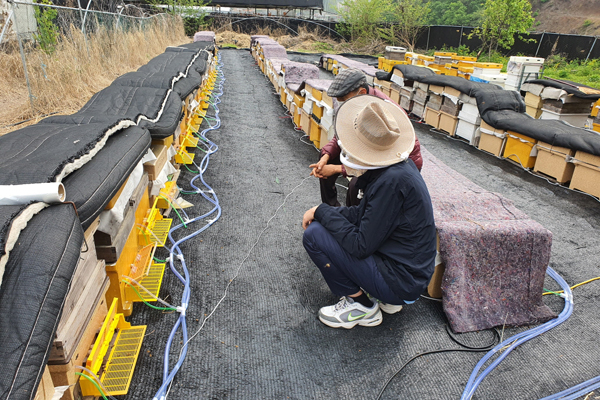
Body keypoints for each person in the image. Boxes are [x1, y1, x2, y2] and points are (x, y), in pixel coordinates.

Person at [302, 95, 437, 329]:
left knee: (315, 235)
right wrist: (319, 210)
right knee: (326, 221)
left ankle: (362, 306)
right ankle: (382, 296)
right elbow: (362, 215)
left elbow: (360, 245)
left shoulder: (390, 183)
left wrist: (323, 212)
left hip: (402, 283)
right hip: (406, 270)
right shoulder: (397, 169)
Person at [310, 68, 423, 207]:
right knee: (326, 159)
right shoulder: (355, 103)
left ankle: (353, 221)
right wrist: (326, 156)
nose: (342, 105)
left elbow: (378, 159)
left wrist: (338, 169)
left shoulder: (383, 111)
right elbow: (341, 135)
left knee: (356, 186)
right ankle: (332, 209)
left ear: (362, 92)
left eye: (344, 100)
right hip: (373, 150)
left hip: (395, 160)